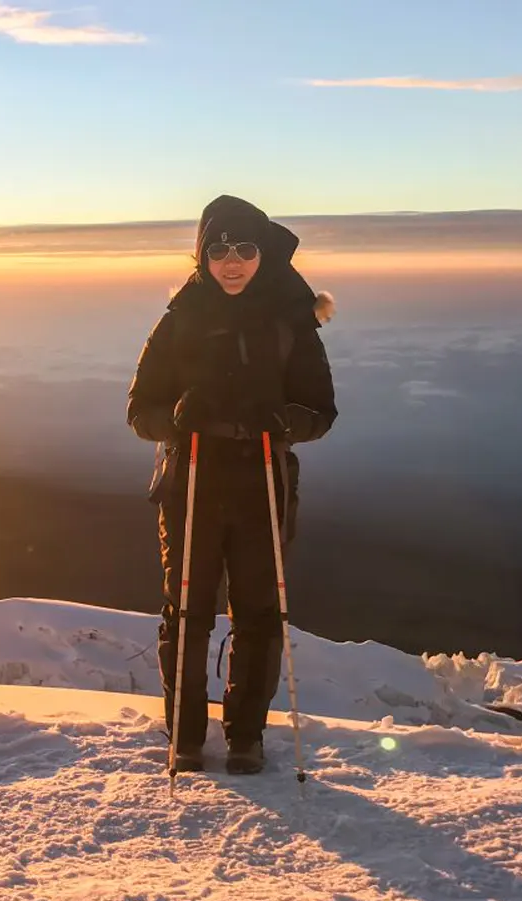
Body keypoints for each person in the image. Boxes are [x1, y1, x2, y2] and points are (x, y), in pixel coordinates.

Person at [126, 194, 337, 775]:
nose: (233, 261)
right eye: (219, 249)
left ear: (264, 253)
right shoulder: (179, 320)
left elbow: (320, 411)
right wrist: (176, 417)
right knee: (189, 612)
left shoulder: (291, 323)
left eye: (245, 248)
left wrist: (286, 422)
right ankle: (185, 736)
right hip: (192, 480)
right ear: (202, 257)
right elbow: (140, 410)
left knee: (259, 613)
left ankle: (247, 737)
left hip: (262, 481)